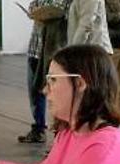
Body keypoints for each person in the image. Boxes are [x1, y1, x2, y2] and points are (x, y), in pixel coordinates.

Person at [18, 0, 70, 144]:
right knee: (34, 91)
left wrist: (44, 12)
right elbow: (33, 7)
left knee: (59, 95)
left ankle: (60, 137)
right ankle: (38, 128)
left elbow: (60, 10)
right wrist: (43, 12)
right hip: (35, 47)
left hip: (54, 49)